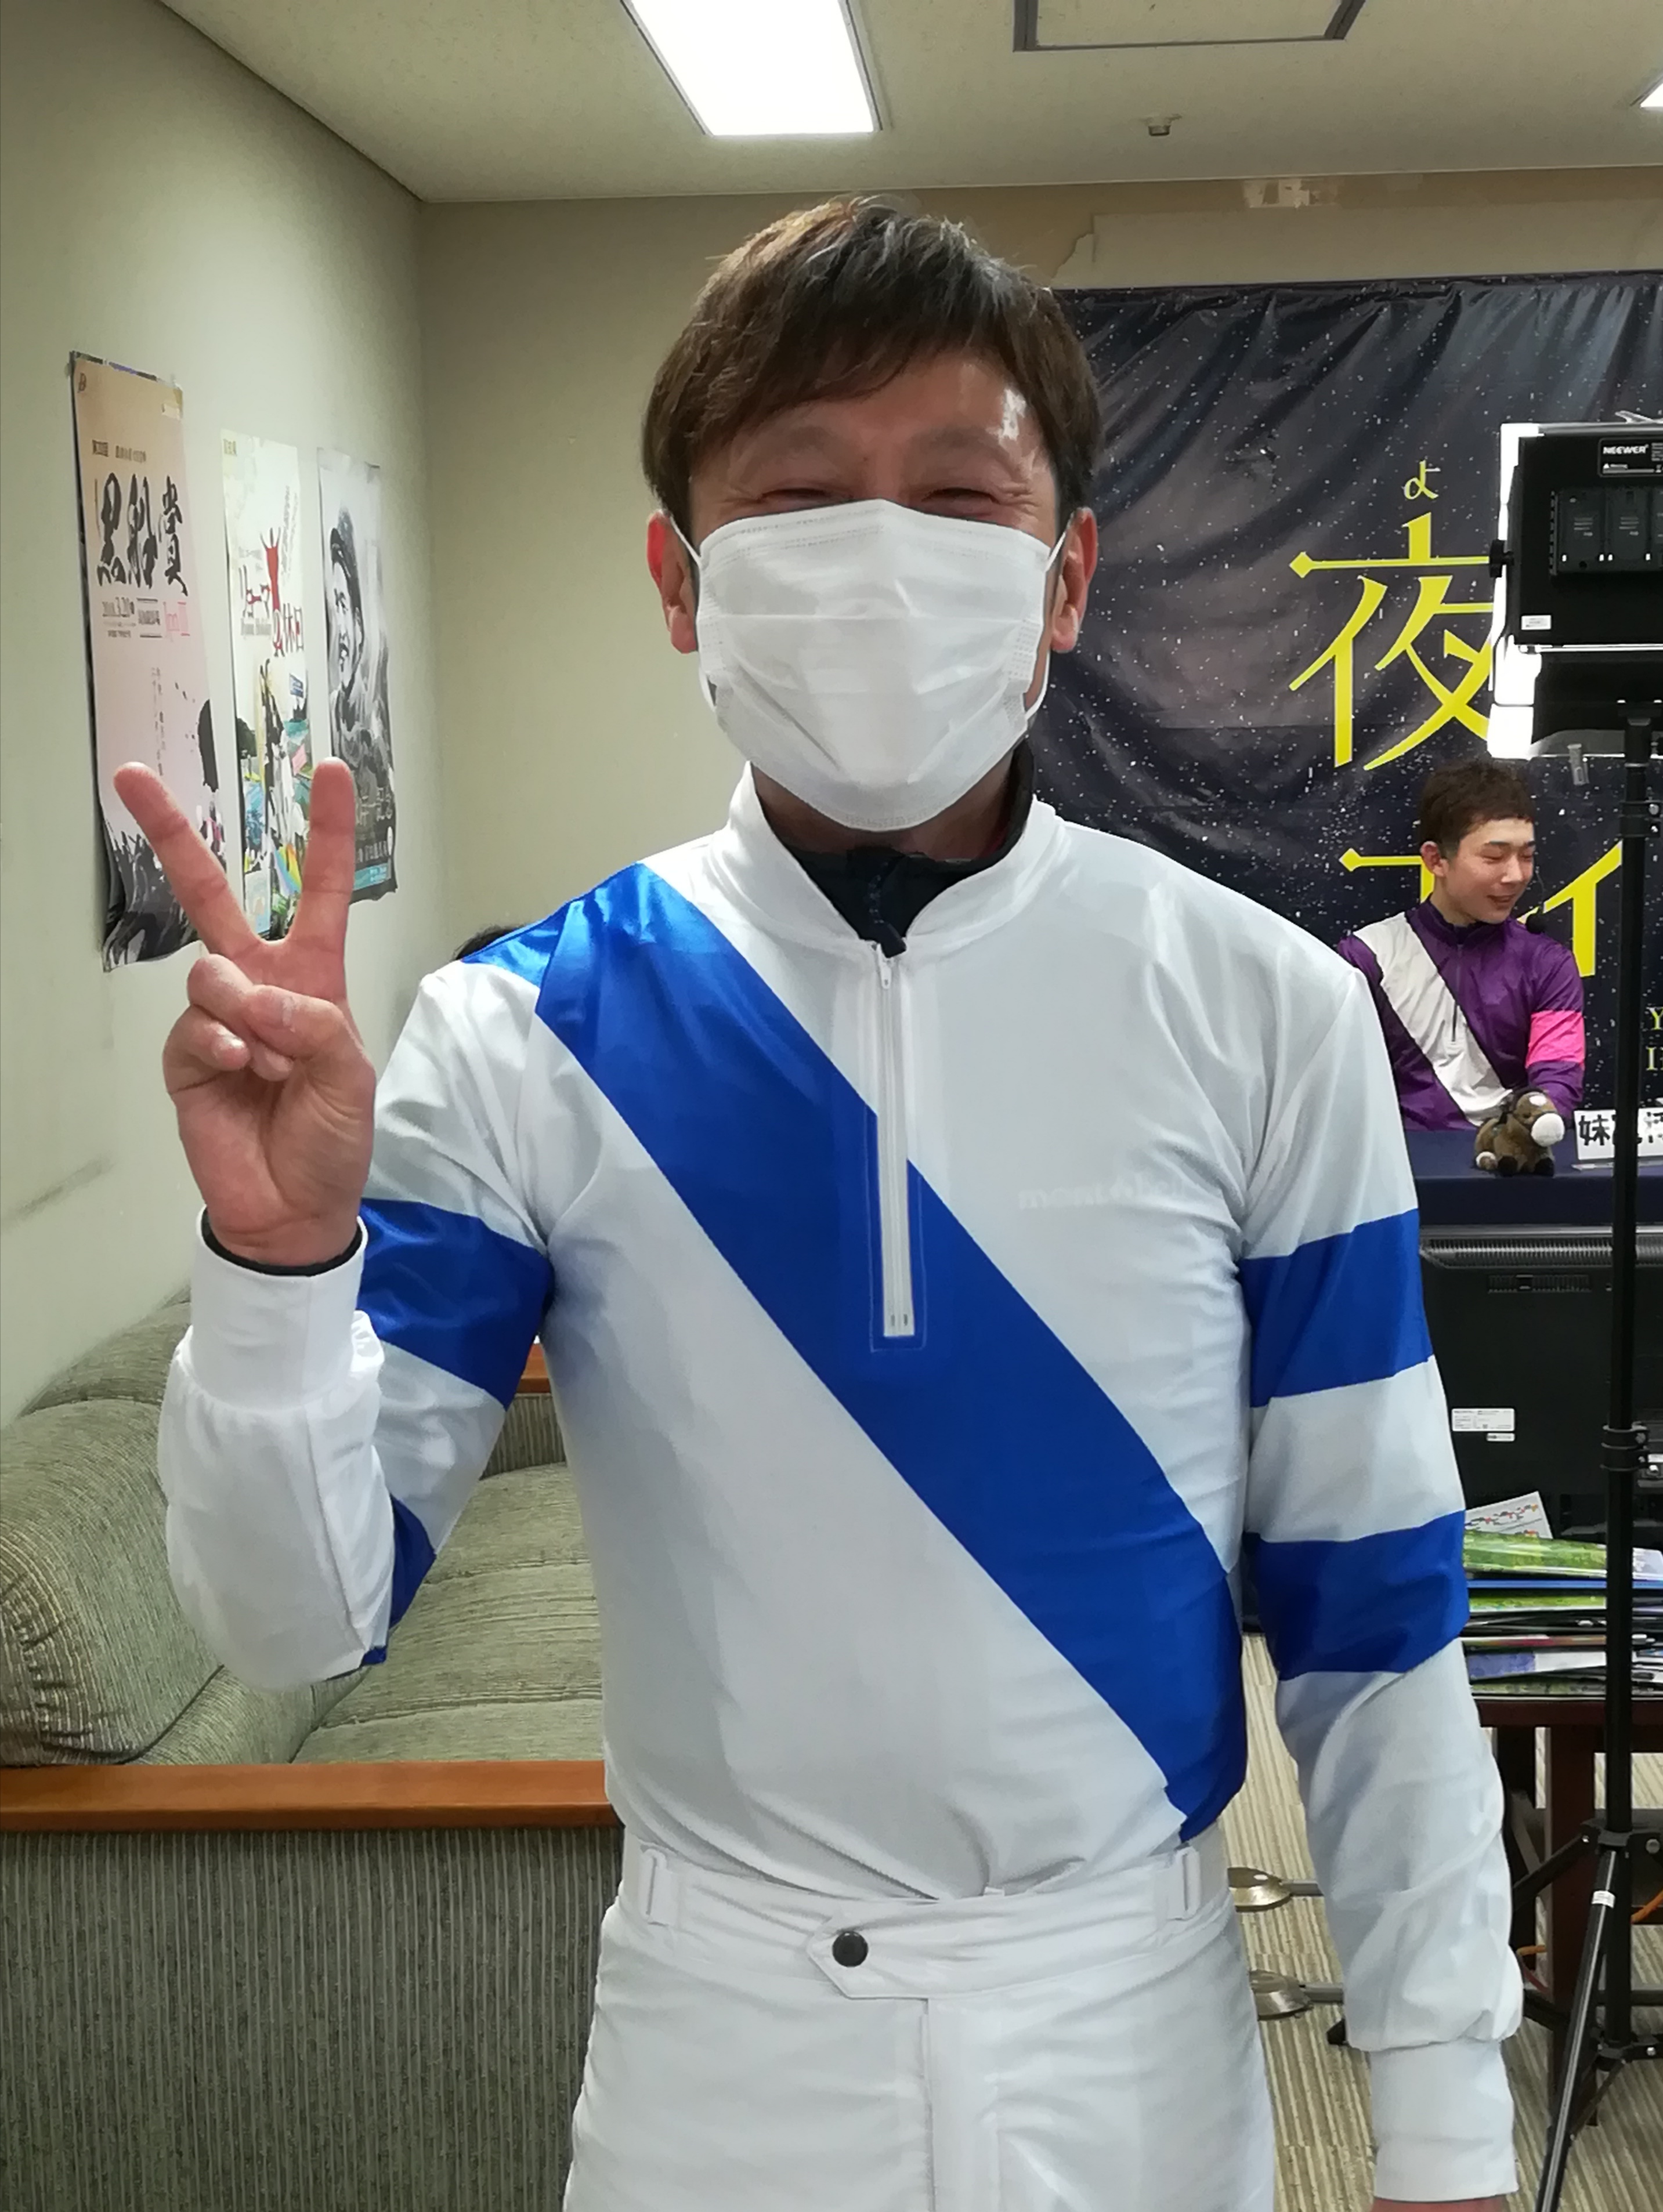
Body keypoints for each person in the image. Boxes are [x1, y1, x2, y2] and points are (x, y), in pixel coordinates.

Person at [115, 201, 1516, 2212]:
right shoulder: (520, 1030)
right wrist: (274, 1267)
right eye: (796, 496)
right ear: (679, 583)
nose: (877, 556)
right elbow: (292, 1614)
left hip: (1131, 2026)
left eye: (955, 495)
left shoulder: (1261, 1006)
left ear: (1062, 577)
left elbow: (1371, 1603)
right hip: (719, 2044)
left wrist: (1445, 2113)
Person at [1338, 758, 1585, 1132]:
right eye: (1494, 857)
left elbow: (1559, 1077)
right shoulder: (1365, 958)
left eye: (1527, 856)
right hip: (1397, 1161)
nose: (1516, 875)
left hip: (1513, 1159)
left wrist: (1532, 1125)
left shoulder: (1549, 964)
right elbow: (1335, 1081)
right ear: (1435, 859)